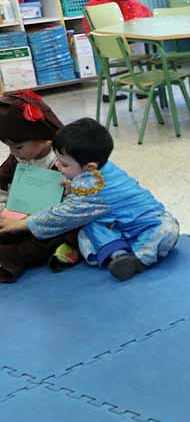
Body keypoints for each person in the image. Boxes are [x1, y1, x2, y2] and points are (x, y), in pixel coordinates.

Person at [0, 118, 178, 281]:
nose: (58, 166)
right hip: (115, 221)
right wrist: (74, 186)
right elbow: (89, 199)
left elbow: (63, 215)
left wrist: (23, 224)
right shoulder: (97, 169)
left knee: (166, 230)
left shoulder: (98, 191)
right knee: (89, 228)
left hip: (147, 222)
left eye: (64, 164)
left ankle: (139, 260)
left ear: (89, 166)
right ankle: (118, 254)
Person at [0, 92, 80, 283]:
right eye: (8, 146)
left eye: (18, 147)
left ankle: (9, 259)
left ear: (45, 138)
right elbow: (1, 183)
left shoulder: (64, 162)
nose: (13, 152)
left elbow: (74, 208)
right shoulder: (18, 159)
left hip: (52, 224)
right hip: (19, 218)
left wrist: (72, 190)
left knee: (37, 244)